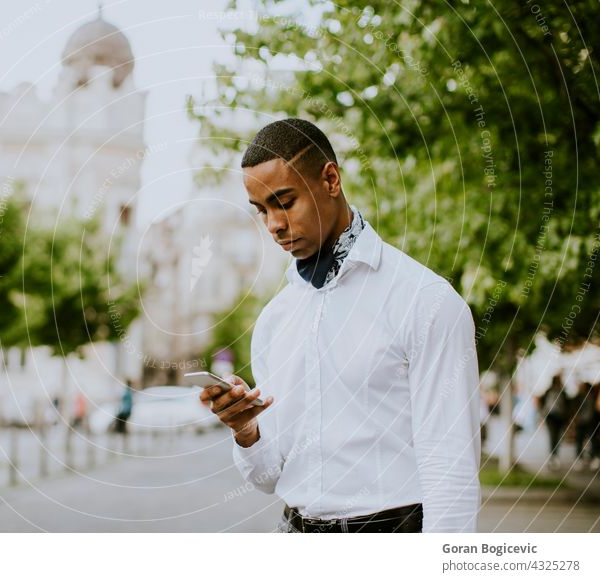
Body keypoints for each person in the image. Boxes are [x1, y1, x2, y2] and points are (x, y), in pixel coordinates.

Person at [199, 118, 481, 533]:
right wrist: (246, 430)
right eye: (262, 210)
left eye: (284, 201)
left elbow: (451, 469)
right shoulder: (276, 320)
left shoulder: (425, 301)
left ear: (330, 179)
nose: (273, 224)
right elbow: (270, 479)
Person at [539, 374, 568, 471]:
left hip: (559, 417)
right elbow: (542, 402)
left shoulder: (563, 392)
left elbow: (566, 404)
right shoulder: (550, 391)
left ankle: (554, 456)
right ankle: (553, 456)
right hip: (551, 417)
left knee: (557, 437)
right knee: (553, 436)